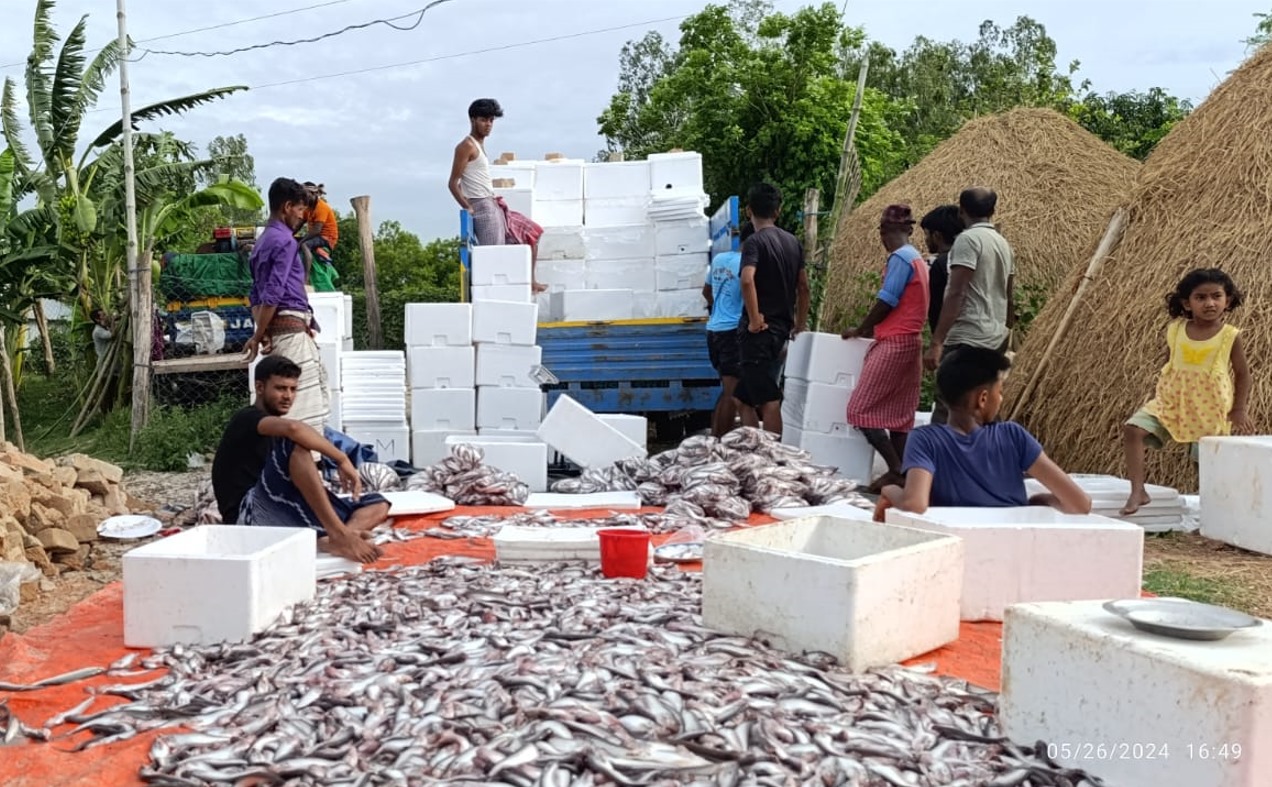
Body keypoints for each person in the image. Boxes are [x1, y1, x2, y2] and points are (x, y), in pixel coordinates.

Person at [874, 347, 1090, 520]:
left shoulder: (924, 439)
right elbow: (1080, 503)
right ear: (983, 399)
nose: (1001, 399)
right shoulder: (1013, 436)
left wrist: (891, 490)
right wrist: (1038, 501)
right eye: (1000, 392)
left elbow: (914, 504)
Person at [212, 355, 387, 563]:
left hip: (277, 505)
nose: (288, 396)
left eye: (293, 389)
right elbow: (294, 429)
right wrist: (341, 459)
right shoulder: (247, 418)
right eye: (280, 388)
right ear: (260, 388)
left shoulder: (275, 426)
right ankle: (339, 535)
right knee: (296, 445)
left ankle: (338, 537)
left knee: (378, 504)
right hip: (248, 516)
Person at [1121, 268, 1252, 515]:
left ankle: (1215, 517)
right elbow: (1170, 365)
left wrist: (1238, 409)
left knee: (1206, 463)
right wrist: (1162, 392)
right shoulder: (1176, 330)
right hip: (1172, 402)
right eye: (1200, 298)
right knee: (1133, 429)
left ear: (1228, 300)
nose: (1210, 303)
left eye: (1216, 296)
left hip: (1209, 408)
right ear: (1187, 303)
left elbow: (1243, 374)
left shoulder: (1229, 336)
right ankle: (1138, 490)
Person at [841, 205, 930, 491]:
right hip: (912, 341)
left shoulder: (901, 259)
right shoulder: (917, 258)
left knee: (860, 409)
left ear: (882, 232)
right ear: (910, 229)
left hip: (894, 341)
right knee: (900, 416)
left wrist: (861, 329)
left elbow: (887, 299)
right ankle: (905, 475)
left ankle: (896, 469)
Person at [244, 177, 330, 432]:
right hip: (291, 333)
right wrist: (259, 335)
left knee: (276, 411)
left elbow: (256, 293)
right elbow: (273, 291)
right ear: (287, 207)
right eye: (301, 210)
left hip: (277, 332)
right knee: (301, 416)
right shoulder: (286, 242)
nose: (302, 217)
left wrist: (263, 331)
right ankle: (303, 468)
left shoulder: (261, 243)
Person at [925, 187, 1016, 424]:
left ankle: (936, 459)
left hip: (968, 335)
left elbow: (957, 292)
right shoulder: (1002, 244)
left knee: (949, 404)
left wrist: (937, 342)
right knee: (980, 406)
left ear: (961, 211)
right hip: (993, 336)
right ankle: (993, 456)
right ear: (992, 211)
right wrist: (1006, 332)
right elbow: (1008, 295)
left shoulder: (967, 240)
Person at [447, 98, 546, 293]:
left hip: (494, 204)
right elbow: (453, 183)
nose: (489, 125)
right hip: (482, 207)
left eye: (491, 120)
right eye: (484, 120)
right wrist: (468, 207)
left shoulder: (480, 145)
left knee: (531, 232)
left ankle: (530, 282)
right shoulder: (466, 146)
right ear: (473, 120)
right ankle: (494, 299)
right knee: (494, 258)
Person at [734, 183, 810, 435]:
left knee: (768, 400)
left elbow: (747, 279)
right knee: (742, 398)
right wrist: (799, 323)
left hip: (759, 333)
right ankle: (753, 450)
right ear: (777, 211)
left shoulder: (754, 242)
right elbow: (803, 286)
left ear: (748, 211)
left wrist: (755, 319)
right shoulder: (793, 242)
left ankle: (770, 456)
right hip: (781, 330)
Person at [704, 223, 754, 436]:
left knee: (728, 390)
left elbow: (706, 292)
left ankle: (716, 440)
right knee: (734, 394)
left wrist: (721, 309)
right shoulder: (748, 265)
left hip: (714, 330)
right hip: (732, 332)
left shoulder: (719, 260)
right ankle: (718, 444)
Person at [919, 204, 964, 334]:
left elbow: (937, 309)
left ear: (937, 236)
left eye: (927, 235)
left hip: (950, 336)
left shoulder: (941, 264)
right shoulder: (969, 259)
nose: (926, 240)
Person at [300, 182, 340, 292]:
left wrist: (300, 242)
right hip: (316, 237)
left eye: (306, 196)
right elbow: (299, 224)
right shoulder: (308, 208)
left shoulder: (321, 207)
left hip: (327, 238)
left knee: (304, 244)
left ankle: (306, 278)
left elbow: (316, 231)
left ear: (314, 194)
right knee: (294, 241)